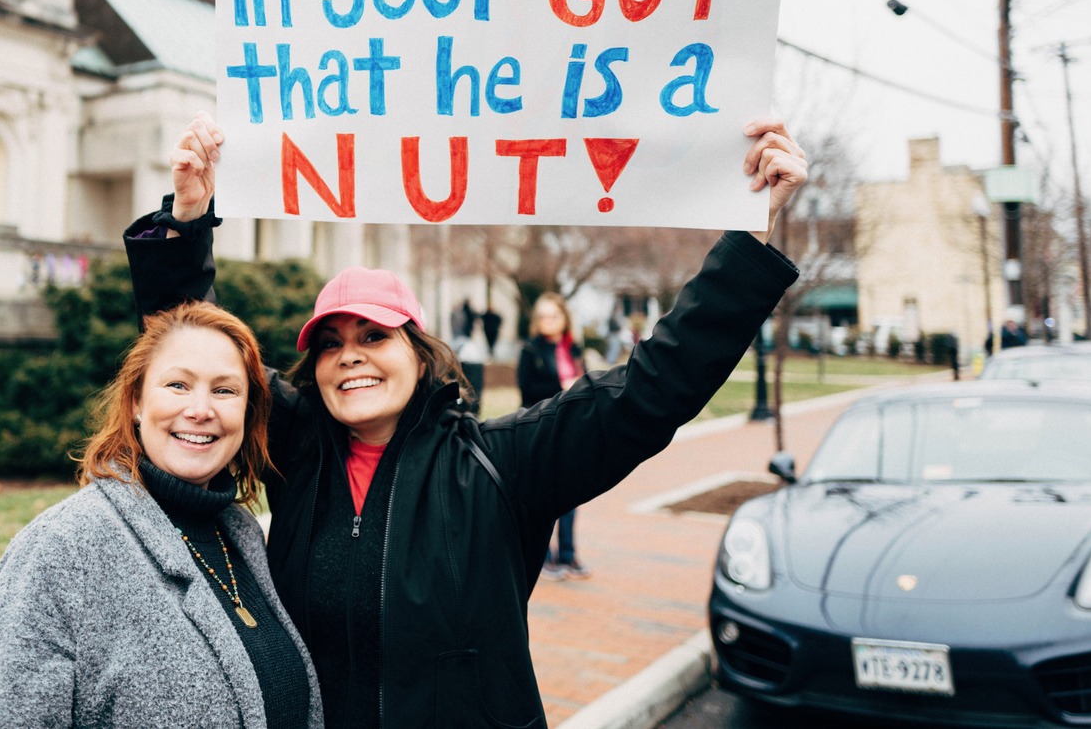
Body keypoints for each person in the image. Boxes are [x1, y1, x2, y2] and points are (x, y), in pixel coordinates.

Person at [125, 112, 806, 729]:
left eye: (374, 336)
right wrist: (188, 219)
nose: (350, 356)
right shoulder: (298, 450)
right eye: (330, 342)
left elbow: (654, 386)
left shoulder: (502, 463)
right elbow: (195, 347)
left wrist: (749, 239)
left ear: (419, 356)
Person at [0, 302, 323, 729]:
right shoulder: (60, 548)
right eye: (177, 385)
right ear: (136, 401)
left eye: (225, 390)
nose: (200, 410)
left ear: (248, 413)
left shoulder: (240, 534)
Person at [516, 292, 589, 579]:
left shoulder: (574, 348)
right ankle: (543, 557)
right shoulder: (530, 350)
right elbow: (527, 391)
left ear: (564, 318)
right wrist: (561, 384)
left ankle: (568, 555)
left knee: (571, 494)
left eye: (553, 315)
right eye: (542, 316)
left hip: (570, 430)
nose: (547, 321)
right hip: (541, 430)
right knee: (544, 496)